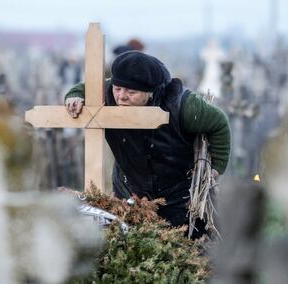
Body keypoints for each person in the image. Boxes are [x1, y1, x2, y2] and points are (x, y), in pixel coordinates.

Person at [64, 51, 230, 238]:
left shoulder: (182, 105)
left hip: (178, 195)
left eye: (131, 92)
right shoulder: (108, 93)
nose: (121, 97)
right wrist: (74, 96)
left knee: (182, 249)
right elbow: (85, 89)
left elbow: (219, 123)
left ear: (150, 91)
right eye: (118, 89)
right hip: (128, 190)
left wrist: (216, 167)